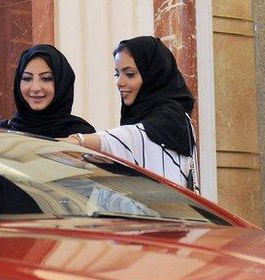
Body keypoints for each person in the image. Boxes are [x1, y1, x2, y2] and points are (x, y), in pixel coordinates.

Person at [69, 36, 198, 192]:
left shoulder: (170, 119)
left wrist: (77, 142)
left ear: (154, 74)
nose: (119, 82)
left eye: (129, 74)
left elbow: (131, 137)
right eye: (117, 74)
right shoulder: (142, 116)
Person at [0, 44, 95, 138]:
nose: (35, 88)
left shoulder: (81, 135)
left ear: (61, 83)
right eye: (27, 78)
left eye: (46, 78)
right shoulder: (1, 132)